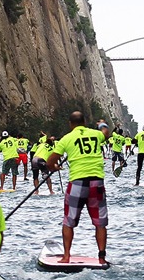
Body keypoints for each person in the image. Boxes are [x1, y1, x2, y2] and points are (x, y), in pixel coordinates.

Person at [46, 113, 111, 264]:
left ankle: (66, 256)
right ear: (85, 122)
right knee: (100, 222)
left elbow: (50, 161)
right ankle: (101, 258)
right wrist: (102, 123)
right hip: (97, 182)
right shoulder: (96, 134)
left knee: (69, 220)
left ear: (70, 124)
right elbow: (106, 133)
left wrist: (54, 167)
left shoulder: (67, 138)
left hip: (77, 182)